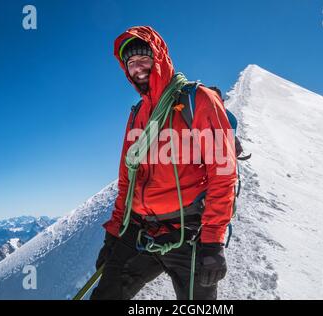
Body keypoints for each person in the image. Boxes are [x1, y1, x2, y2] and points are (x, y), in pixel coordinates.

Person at [90, 26, 237, 300]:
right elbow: (127, 181)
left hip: (189, 233)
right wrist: (113, 235)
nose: (137, 67)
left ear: (159, 57)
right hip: (139, 231)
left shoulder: (199, 100)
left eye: (143, 58)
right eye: (130, 63)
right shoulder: (137, 114)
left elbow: (223, 173)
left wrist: (213, 242)